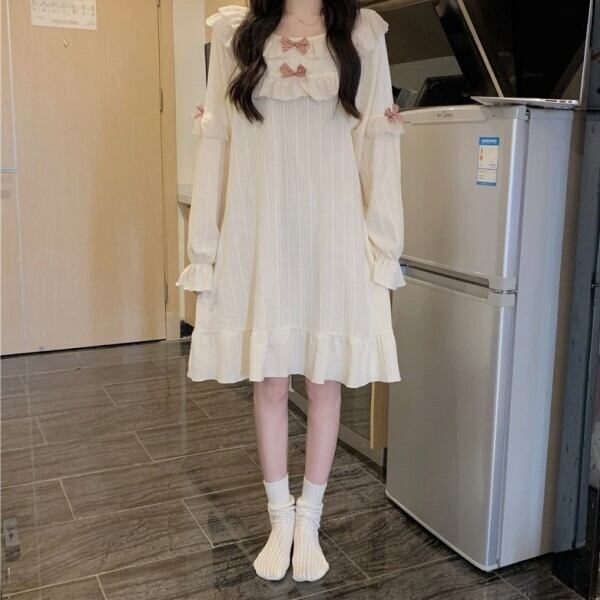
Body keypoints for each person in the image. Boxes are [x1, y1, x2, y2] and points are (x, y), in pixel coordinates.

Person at [176, 0, 405, 583]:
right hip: (261, 234)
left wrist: (382, 243)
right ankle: (279, 517)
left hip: (334, 235)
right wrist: (207, 245)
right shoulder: (235, 32)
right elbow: (217, 140)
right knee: (271, 380)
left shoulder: (362, 34)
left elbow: (377, 142)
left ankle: (310, 518)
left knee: (324, 381)